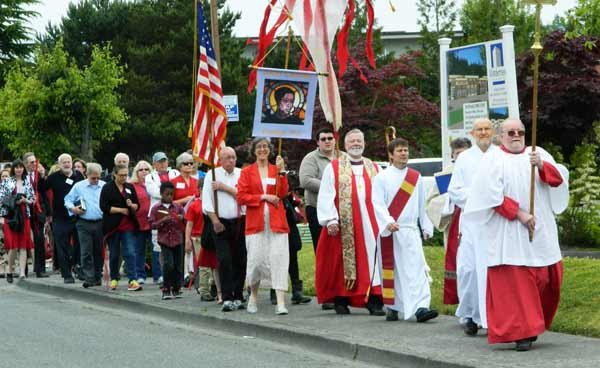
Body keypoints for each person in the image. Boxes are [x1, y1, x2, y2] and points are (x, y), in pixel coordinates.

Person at [463, 118, 568, 351]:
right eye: (510, 132)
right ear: (500, 136)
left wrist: (541, 166)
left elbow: (558, 180)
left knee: (545, 279)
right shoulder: (493, 159)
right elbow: (488, 196)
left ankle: (533, 326)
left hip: (541, 231)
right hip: (508, 233)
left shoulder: (537, 153)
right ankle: (522, 332)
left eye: (520, 132)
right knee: (517, 285)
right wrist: (519, 214)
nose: (516, 136)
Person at [316, 129, 384, 316]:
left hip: (370, 224)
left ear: (364, 143)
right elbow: (326, 194)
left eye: (359, 141)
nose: (356, 144)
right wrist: (330, 219)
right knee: (340, 262)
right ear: (345, 146)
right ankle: (341, 299)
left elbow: (383, 195)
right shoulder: (335, 167)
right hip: (344, 223)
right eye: (352, 141)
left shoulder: (374, 167)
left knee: (371, 261)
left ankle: (374, 299)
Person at [372, 137, 438, 322]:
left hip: (409, 230)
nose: (404, 154)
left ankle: (421, 307)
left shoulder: (415, 177)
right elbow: (377, 203)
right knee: (393, 270)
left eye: (406, 150)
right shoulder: (381, 178)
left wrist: (426, 226)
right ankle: (393, 306)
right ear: (391, 155)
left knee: (416, 269)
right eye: (399, 151)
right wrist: (387, 222)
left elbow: (421, 203)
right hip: (391, 231)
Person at [447, 118, 497, 335]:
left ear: (493, 131)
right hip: (471, 223)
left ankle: (493, 316)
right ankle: (469, 314)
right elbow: (455, 191)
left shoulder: (500, 155)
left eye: (487, 129)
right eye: (479, 129)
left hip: (496, 223)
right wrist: (480, 197)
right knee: (468, 270)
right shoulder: (465, 159)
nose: (484, 132)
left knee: (492, 271)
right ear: (472, 133)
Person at [237, 137, 290, 315]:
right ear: (254, 150)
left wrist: (282, 172)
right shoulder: (246, 172)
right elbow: (242, 197)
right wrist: (263, 197)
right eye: (259, 147)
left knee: (279, 259)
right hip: (256, 224)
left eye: (265, 147)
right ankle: (253, 296)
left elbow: (282, 193)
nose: (262, 150)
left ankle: (281, 302)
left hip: (277, 224)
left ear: (270, 150)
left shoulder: (276, 170)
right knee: (256, 260)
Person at [425, 137, 471, 305]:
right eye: (458, 153)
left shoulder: (480, 170)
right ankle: (462, 304)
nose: (461, 156)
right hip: (453, 225)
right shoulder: (445, 175)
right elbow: (430, 202)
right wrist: (449, 199)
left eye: (465, 152)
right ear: (453, 155)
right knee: (457, 263)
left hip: (475, 224)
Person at [203, 147, 247, 311]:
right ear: (220, 160)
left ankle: (238, 295)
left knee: (240, 259)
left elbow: (243, 196)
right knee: (225, 259)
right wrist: (214, 220)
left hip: (240, 220)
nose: (231, 160)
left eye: (233, 157)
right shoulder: (212, 174)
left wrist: (224, 187)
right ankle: (227, 296)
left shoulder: (241, 173)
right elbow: (206, 201)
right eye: (227, 157)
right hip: (220, 222)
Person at [42, 153, 85, 283]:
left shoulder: (78, 176)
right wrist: (47, 210)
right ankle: (67, 274)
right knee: (62, 246)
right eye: (64, 162)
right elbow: (41, 189)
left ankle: (78, 267)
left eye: (68, 161)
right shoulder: (54, 177)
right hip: (60, 217)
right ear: (59, 164)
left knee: (80, 244)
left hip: (78, 216)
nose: (67, 164)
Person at [100, 164, 141, 291]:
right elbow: (104, 207)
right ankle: (114, 278)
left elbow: (137, 205)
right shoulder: (107, 188)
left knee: (129, 251)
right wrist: (121, 210)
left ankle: (133, 279)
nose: (124, 178)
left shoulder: (129, 187)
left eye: (126, 175)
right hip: (113, 225)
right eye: (121, 175)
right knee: (114, 253)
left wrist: (132, 205)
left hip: (128, 225)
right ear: (114, 175)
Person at [64, 163, 105, 288]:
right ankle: (89, 277)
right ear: (87, 174)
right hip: (84, 222)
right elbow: (67, 199)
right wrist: (73, 209)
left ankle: (98, 276)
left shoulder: (104, 186)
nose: (96, 180)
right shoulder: (79, 186)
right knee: (86, 251)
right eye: (93, 178)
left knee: (98, 251)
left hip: (100, 222)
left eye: (98, 178)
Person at [299, 127, 337, 253]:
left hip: (339, 209)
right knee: (322, 249)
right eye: (323, 139)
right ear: (318, 142)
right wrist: (332, 187)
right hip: (317, 209)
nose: (327, 141)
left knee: (339, 249)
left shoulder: (343, 157)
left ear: (335, 140)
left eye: (330, 138)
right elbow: (305, 180)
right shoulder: (311, 158)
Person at [146, 151, 179, 284]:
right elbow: (154, 192)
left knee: (176, 242)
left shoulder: (175, 173)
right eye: (159, 161)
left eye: (164, 161)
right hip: (159, 212)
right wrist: (170, 193)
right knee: (159, 244)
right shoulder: (150, 177)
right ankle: (160, 274)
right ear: (154, 164)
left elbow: (175, 191)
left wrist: (167, 192)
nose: (162, 164)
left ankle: (175, 275)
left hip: (174, 210)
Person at [0, 160, 35, 282]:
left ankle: (21, 273)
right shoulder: (6, 182)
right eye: (16, 167)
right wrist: (15, 202)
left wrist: (26, 201)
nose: (19, 169)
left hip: (24, 215)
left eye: (21, 167)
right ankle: (9, 270)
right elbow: (2, 199)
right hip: (11, 216)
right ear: (13, 169)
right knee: (13, 246)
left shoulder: (27, 182)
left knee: (24, 245)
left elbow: (33, 199)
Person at [150, 181, 185, 300]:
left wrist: (181, 218)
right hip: (164, 240)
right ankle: (166, 288)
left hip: (178, 239)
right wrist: (163, 220)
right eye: (167, 194)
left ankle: (176, 288)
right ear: (161, 194)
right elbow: (152, 224)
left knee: (178, 265)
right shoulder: (156, 208)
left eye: (171, 194)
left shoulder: (178, 207)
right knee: (168, 264)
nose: (169, 197)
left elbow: (186, 221)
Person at [23, 152, 50, 278]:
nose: (35, 164)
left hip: (38, 210)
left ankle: (40, 269)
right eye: (31, 162)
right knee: (24, 239)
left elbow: (45, 193)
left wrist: (48, 213)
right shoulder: (20, 176)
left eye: (35, 161)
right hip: (24, 210)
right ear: (25, 164)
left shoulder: (39, 175)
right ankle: (24, 270)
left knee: (39, 239)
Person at [130, 160, 154, 285]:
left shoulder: (155, 183)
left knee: (156, 249)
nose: (144, 172)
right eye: (141, 170)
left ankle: (158, 275)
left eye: (146, 169)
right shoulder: (132, 185)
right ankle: (140, 275)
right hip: (138, 222)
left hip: (153, 221)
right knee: (139, 250)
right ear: (136, 172)